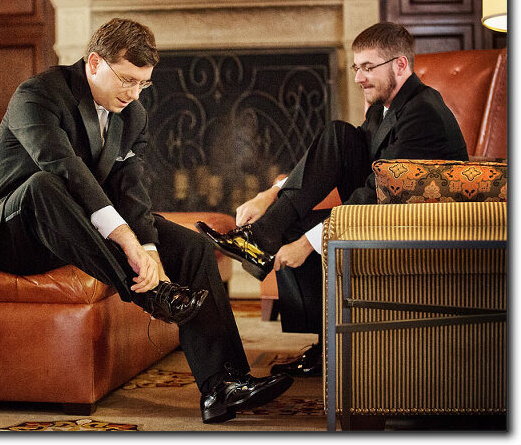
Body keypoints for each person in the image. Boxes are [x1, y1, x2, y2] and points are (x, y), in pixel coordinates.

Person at [0, 18, 293, 424]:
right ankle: (151, 295)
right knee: (44, 185)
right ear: (94, 63)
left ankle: (223, 386)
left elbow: (130, 190)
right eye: (127, 80)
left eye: (144, 84)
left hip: (78, 233)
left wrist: (149, 247)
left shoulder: (132, 114)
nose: (134, 93)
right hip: (17, 234)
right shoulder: (37, 94)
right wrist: (126, 240)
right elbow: (65, 168)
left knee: (192, 247)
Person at [198, 22, 468, 377]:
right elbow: (340, 156)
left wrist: (309, 243)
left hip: (414, 227)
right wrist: (269, 195)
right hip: (384, 208)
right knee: (338, 135)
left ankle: (325, 338)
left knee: (303, 234)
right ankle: (265, 246)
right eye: (356, 67)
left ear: (400, 65)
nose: (358, 77)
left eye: (368, 67)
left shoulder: (423, 113)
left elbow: (377, 193)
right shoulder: (384, 108)